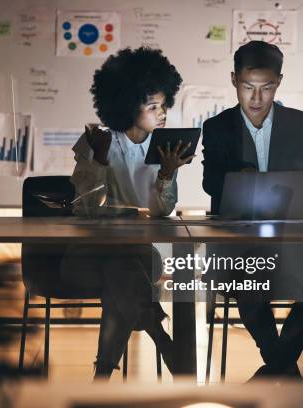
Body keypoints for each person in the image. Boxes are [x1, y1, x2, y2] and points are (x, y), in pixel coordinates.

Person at [201, 41, 303, 381]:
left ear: (279, 82)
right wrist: (238, 181)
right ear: (234, 80)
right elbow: (211, 186)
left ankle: (274, 366)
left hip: (292, 239)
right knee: (247, 285)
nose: (256, 98)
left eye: (266, 88)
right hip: (239, 243)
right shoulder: (217, 127)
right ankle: (282, 367)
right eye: (248, 88)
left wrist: (293, 195)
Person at [62, 47, 191, 379]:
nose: (162, 114)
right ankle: (163, 341)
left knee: (124, 276)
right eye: (152, 107)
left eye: (163, 105)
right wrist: (100, 161)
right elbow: (87, 210)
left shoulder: (164, 147)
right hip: (89, 254)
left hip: (137, 254)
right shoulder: (98, 142)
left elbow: (162, 211)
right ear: (126, 106)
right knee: (125, 277)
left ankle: (103, 377)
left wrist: (167, 172)